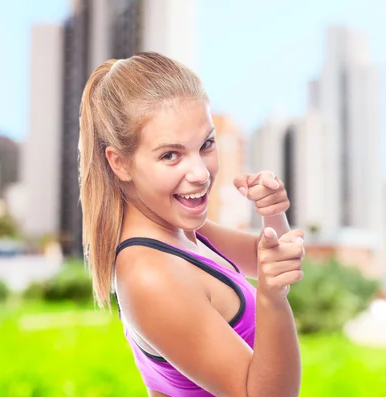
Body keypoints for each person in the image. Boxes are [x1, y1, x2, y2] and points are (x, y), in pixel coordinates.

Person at [78, 52, 305, 397]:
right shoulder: (151, 275)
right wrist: (273, 299)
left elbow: (271, 262)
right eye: (171, 155)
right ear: (120, 163)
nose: (200, 173)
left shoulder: (182, 231)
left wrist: (272, 211)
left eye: (206, 145)